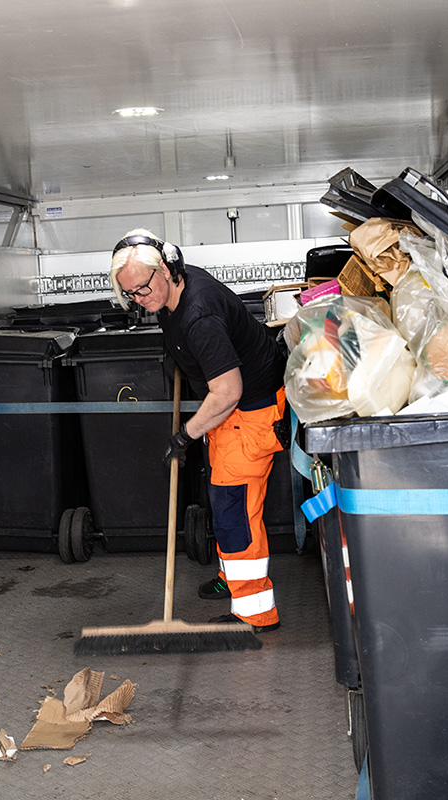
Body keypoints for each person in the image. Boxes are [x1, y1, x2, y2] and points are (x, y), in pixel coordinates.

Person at [109, 230, 287, 632]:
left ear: (167, 269)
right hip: (230, 414)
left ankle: (255, 612)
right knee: (225, 501)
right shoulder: (175, 292)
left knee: (235, 513)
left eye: (144, 288)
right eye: (131, 295)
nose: (141, 300)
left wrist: (184, 435)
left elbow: (227, 390)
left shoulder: (199, 315)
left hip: (247, 414)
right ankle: (233, 579)